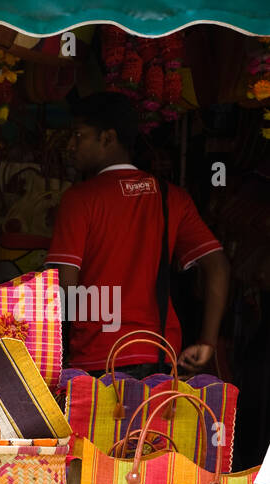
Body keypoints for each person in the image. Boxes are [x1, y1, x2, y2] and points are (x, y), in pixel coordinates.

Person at [46, 91, 230, 376]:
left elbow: (66, 287)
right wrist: (207, 342)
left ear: (107, 138)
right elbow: (216, 265)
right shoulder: (172, 197)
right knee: (152, 422)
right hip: (160, 354)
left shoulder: (79, 199)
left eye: (78, 135)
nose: (71, 145)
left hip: (97, 357)